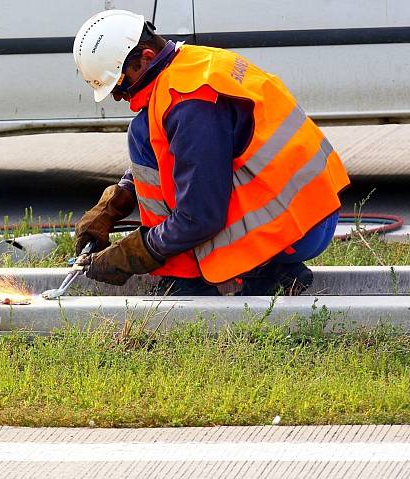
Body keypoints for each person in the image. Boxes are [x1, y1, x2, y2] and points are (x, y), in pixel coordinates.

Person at [72, 10, 350, 296]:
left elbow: (199, 218)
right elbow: (176, 158)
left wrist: (134, 254)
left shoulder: (190, 103)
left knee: (141, 133)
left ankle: (195, 275)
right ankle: (269, 268)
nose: (119, 96)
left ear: (146, 56)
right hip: (310, 211)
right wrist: (114, 204)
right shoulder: (194, 64)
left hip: (292, 230)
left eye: (119, 84)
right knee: (145, 132)